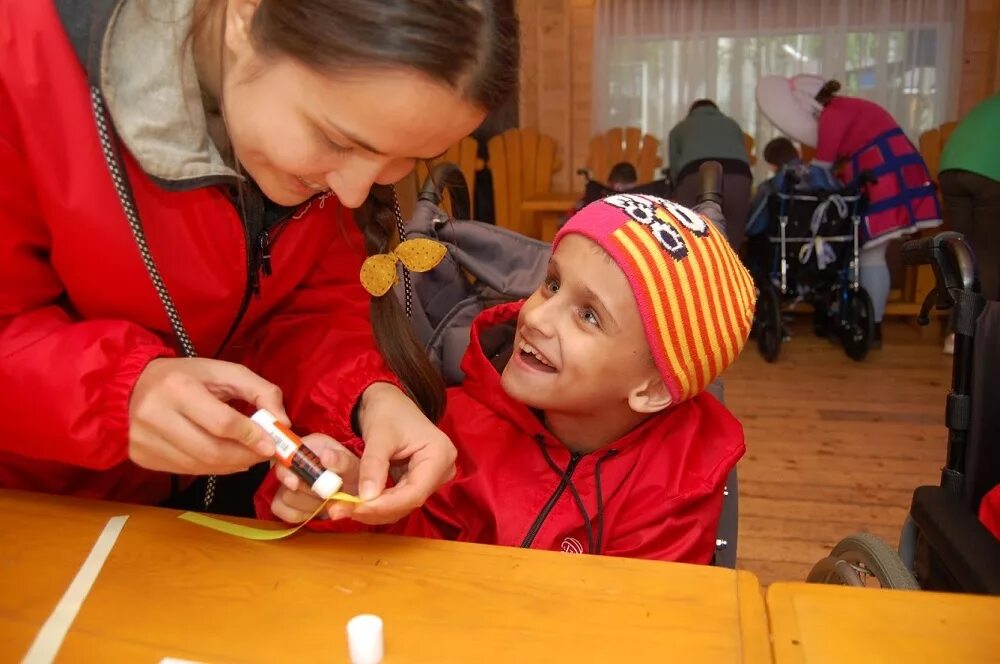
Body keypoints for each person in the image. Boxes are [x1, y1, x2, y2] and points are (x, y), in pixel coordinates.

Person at [0, 0, 518, 518]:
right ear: (246, 15)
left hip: (168, 523)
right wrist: (114, 394)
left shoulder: (313, 149)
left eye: (406, 159)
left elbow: (309, 304)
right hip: (33, 515)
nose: (356, 193)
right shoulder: (20, 59)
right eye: (335, 140)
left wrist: (366, 400)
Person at [258, 194, 757, 563]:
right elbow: (406, 549)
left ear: (651, 390)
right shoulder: (463, 428)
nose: (536, 318)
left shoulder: (677, 485)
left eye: (589, 316)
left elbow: (639, 624)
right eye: (552, 284)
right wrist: (342, 499)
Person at [756, 75, 942, 346]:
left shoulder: (834, 115)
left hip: (883, 176)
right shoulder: (851, 108)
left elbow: (821, 167)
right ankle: (867, 321)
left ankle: (871, 324)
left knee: (869, 253)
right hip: (890, 172)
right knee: (864, 252)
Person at [938, 92, 1000, 303]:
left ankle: (957, 331)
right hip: (989, 173)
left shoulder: (991, 103)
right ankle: (980, 330)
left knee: (963, 253)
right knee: (989, 256)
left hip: (950, 168)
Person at [668, 100, 753, 250]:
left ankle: (699, 270)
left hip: (694, 174)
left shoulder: (680, 128)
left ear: (692, 113)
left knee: (691, 231)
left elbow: (675, 168)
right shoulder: (732, 124)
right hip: (738, 176)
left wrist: (676, 191)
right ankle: (731, 269)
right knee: (734, 232)